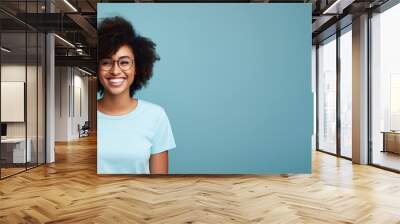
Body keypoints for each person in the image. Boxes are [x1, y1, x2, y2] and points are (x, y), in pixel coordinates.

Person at [97, 16, 176, 174]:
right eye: (106, 62)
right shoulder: (86, 117)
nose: (115, 70)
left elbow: (159, 185)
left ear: (137, 67)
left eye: (124, 62)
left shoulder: (156, 116)